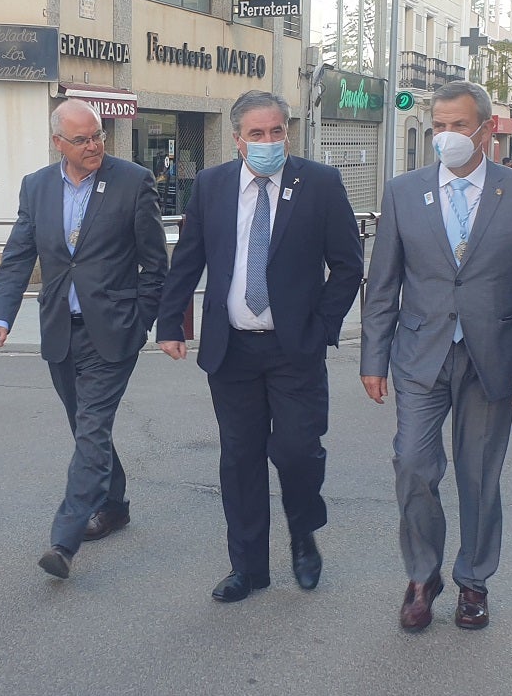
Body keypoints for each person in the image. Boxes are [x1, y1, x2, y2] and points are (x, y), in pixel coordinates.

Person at [360, 80, 512, 633]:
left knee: (478, 477)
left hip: (490, 358)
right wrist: (372, 358)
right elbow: (383, 284)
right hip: (420, 353)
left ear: (485, 129)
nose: (446, 136)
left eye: (457, 126)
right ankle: (422, 576)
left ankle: (474, 580)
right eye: (438, 126)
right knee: (413, 466)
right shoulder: (404, 191)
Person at [156, 90, 364, 603]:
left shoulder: (318, 183)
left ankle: (302, 532)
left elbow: (348, 264)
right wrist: (169, 323)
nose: (269, 141)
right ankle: (247, 568)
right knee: (240, 459)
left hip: (296, 348)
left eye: (276, 132)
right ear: (237, 139)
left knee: (296, 452)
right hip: (232, 350)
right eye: (257, 134)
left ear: (287, 133)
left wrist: (323, 326)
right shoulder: (211, 185)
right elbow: (188, 259)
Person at [0, 101, 168, 581]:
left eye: (98, 136)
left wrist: (142, 319)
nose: (94, 146)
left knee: (91, 428)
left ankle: (64, 541)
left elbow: (155, 261)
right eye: (82, 139)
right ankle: (115, 504)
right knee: (86, 426)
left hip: (114, 330)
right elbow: (18, 255)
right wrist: (0, 314)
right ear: (58, 143)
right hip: (61, 330)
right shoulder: (37, 187)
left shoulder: (132, 181)